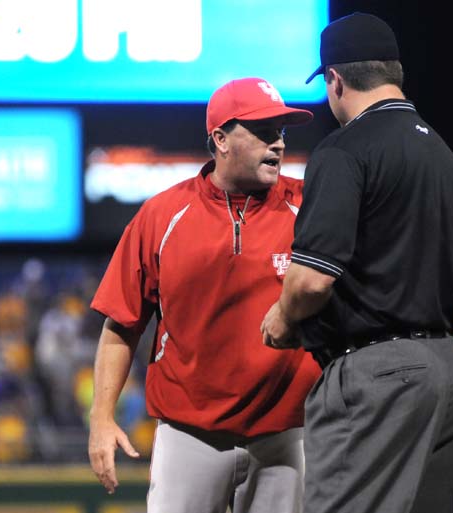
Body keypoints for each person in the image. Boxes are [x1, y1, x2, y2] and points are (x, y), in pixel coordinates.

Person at [260, 12, 453, 513]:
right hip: (446, 370)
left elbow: (311, 281)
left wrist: (283, 316)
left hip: (377, 370)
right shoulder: (438, 151)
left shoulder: (345, 150)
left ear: (335, 80)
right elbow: (422, 206)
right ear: (393, 72)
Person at [88, 77, 320, 513]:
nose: (279, 144)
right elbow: (121, 324)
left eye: (282, 132)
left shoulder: (309, 206)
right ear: (220, 139)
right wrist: (101, 419)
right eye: (264, 132)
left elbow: (405, 214)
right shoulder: (162, 215)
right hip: (188, 434)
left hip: (287, 433)